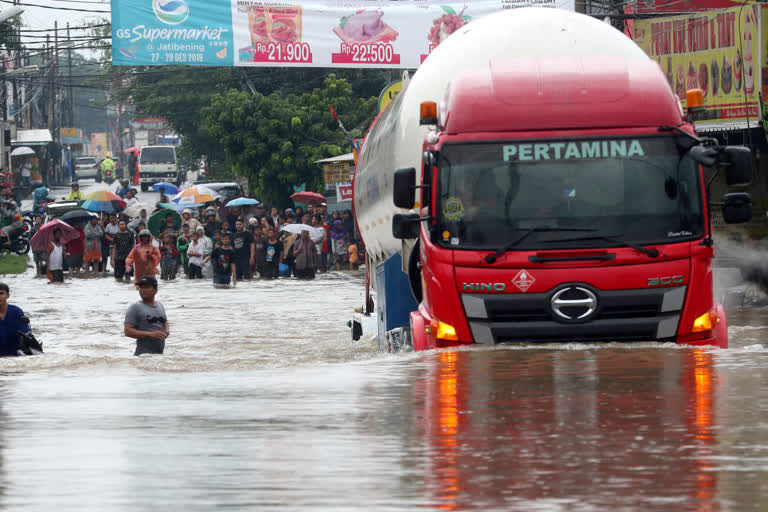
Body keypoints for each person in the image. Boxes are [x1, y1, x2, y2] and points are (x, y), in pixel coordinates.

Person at [124, 276, 169, 356]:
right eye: (141, 287)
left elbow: (165, 321)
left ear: (155, 290)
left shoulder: (160, 305)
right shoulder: (135, 307)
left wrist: (166, 330)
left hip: (159, 355)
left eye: (147, 287)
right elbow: (127, 331)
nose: (143, 290)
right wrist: (150, 334)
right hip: (143, 356)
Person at [0, 283, 31, 357]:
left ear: (8, 296)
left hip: (15, 354)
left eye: (1, 293)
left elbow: (26, 333)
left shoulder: (16, 311)